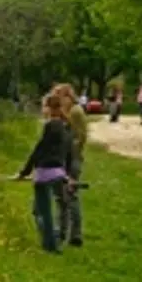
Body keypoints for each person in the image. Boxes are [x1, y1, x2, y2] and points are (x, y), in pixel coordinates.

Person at [12, 94, 74, 254]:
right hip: (58, 173)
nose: (42, 109)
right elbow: (67, 153)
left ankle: (51, 245)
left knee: (41, 212)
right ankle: (54, 239)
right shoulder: (64, 126)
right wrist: (67, 174)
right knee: (49, 209)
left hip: (44, 173)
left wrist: (24, 172)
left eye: (44, 106)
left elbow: (38, 151)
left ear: (49, 108)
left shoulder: (50, 126)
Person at [53, 84, 87, 247]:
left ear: (67, 96)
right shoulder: (71, 112)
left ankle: (73, 233)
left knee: (69, 195)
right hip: (68, 158)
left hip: (71, 159)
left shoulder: (74, 112)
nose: (57, 100)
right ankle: (63, 231)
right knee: (63, 196)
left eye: (59, 96)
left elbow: (78, 137)